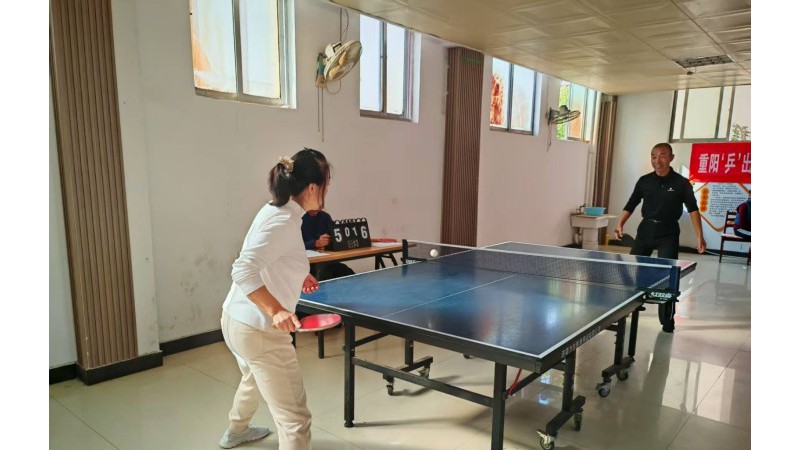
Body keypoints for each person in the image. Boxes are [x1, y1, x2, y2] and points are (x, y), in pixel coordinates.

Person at [219, 148, 330, 449]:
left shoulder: (277, 211)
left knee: (253, 378)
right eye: (326, 184)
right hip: (260, 330)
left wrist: (298, 275)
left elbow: (270, 257)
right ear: (312, 188)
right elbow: (242, 269)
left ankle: (236, 431)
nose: (327, 192)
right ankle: (239, 430)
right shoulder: (283, 221)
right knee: (295, 420)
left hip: (237, 321)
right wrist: (277, 310)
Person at [614, 143, 706, 333]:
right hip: (646, 230)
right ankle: (633, 304)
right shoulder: (644, 181)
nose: (657, 161)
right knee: (635, 268)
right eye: (653, 156)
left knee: (668, 277)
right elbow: (631, 204)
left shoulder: (681, 183)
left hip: (668, 232)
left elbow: (693, 209)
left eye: (662, 156)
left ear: (671, 158)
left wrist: (700, 237)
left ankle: (667, 319)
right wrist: (620, 223)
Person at [301, 209, 355, 280]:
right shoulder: (298, 218)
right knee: (325, 273)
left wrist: (329, 240)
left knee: (347, 272)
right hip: (307, 264)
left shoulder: (325, 216)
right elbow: (293, 245)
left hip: (327, 260)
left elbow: (335, 236)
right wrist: (315, 243)